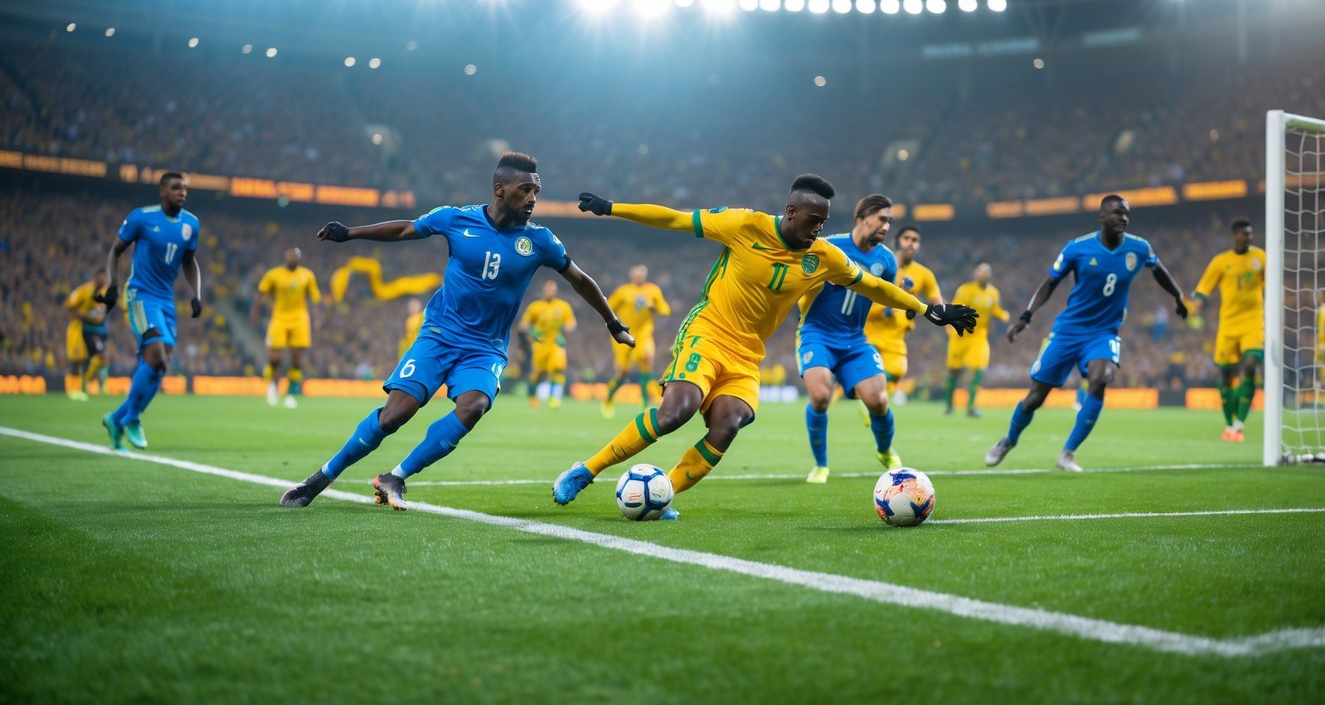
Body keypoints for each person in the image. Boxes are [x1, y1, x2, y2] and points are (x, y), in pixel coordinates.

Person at [552, 175, 977, 519]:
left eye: (824, 223)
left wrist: (928, 310)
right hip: (708, 331)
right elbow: (676, 220)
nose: (818, 230)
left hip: (747, 355)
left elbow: (873, 285)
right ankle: (586, 469)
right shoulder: (744, 225)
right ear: (790, 212)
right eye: (812, 220)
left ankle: (663, 495)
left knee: (729, 423)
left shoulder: (824, 256)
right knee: (675, 413)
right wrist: (612, 208)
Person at [280, 152, 633, 510]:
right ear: (500, 189)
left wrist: (613, 323)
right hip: (440, 335)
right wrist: (350, 234)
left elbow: (581, 280)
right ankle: (320, 478)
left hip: (486, 348)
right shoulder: (455, 218)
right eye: (525, 190)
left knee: (475, 405)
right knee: (394, 415)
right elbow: (405, 229)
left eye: (536, 192)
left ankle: (395, 477)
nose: (532, 199)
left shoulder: (540, 241)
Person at [985, 195, 1188, 472]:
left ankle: (1068, 452)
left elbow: (1159, 270)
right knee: (1036, 396)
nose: (1123, 218)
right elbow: (1050, 282)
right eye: (1117, 213)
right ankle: (1009, 439)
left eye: (1126, 213)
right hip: (1068, 331)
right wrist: (1026, 316)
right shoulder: (1077, 248)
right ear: (1102, 217)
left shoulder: (1139, 248)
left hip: (1104, 332)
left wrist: (1177, 295)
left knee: (1101, 378)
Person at [796, 194, 902, 484]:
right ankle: (821, 465)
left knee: (879, 401)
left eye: (890, 222)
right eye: (882, 219)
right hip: (817, 333)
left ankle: (884, 450)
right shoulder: (829, 246)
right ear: (862, 218)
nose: (886, 227)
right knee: (819, 397)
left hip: (854, 339)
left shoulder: (887, 261)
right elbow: (799, 278)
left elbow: (886, 296)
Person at [98, 172, 204, 451]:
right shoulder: (141, 218)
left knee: (160, 367)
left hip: (165, 300)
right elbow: (115, 250)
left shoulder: (191, 224)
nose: (182, 192)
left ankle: (115, 419)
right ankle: (132, 418)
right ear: (162, 191)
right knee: (156, 356)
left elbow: (190, 261)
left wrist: (197, 294)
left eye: (184, 188)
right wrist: (111, 283)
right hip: (140, 295)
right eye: (175, 187)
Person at [1191, 219, 1265, 442]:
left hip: (1253, 321)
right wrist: (1197, 303)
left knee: (1251, 365)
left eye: (1250, 234)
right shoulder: (1222, 261)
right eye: (1244, 234)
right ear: (1236, 235)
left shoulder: (1261, 258)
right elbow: (1204, 287)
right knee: (1225, 377)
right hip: (1228, 325)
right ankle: (1230, 424)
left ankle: (1240, 423)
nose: (1248, 237)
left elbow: (1273, 285)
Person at [861, 225, 943, 407]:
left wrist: (948, 316)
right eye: (907, 238)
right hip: (872, 329)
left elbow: (938, 304)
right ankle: (865, 398)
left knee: (898, 370)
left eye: (916, 240)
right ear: (897, 241)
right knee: (867, 369)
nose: (912, 243)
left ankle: (869, 400)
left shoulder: (924, 274)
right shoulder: (880, 265)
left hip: (897, 335)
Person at [251, 247, 321, 409]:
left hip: (300, 319)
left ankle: (290, 394)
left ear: (299, 258)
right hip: (279, 318)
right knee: (275, 357)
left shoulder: (307, 275)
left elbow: (315, 297)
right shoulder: (273, 275)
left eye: (295, 256)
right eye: (290, 255)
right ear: (285, 257)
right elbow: (261, 295)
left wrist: (317, 316)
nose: (292, 258)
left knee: (296, 359)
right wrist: (255, 312)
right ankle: (273, 387)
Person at [602, 265, 671, 417]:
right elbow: (608, 306)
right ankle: (608, 399)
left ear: (645, 275)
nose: (639, 277)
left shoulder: (653, 290)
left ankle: (645, 403)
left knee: (647, 361)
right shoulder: (623, 291)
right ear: (631, 275)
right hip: (624, 335)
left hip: (644, 335)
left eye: (642, 274)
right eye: (637, 274)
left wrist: (653, 306)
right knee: (622, 373)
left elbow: (665, 309)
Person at [942, 262, 1010, 417]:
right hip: (960, 335)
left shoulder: (993, 293)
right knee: (954, 371)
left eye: (986, 271)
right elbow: (956, 308)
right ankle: (949, 406)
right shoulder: (965, 290)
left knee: (979, 369)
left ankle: (971, 407)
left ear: (990, 275)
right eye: (980, 271)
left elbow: (994, 309)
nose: (983, 273)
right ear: (975, 274)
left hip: (979, 336)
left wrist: (1002, 315)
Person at [519, 279, 576, 408]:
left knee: (558, 367)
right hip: (540, 343)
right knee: (539, 373)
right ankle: (532, 396)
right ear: (543, 291)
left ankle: (552, 397)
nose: (552, 292)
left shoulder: (563, 306)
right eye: (549, 289)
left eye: (554, 290)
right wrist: (532, 332)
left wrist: (563, 331)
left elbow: (571, 323)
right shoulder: (535, 306)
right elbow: (523, 325)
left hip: (556, 342)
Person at [65, 271, 110, 401]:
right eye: (102, 276)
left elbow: (99, 317)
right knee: (76, 359)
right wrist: (85, 316)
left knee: (86, 358)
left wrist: (87, 316)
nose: (104, 279)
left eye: (106, 277)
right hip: (77, 329)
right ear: (96, 276)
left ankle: (80, 388)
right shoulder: (83, 291)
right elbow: (69, 306)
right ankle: (73, 390)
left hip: (91, 330)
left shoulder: (103, 293)